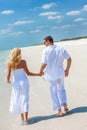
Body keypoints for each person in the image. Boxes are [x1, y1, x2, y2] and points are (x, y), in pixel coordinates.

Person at [7, 48, 41, 125]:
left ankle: (22, 118)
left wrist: (8, 80)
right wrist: (38, 74)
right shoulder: (23, 62)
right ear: (19, 54)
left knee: (18, 99)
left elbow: (9, 74)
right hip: (24, 82)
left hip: (15, 83)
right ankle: (26, 119)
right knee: (24, 99)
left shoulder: (10, 63)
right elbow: (28, 73)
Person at [40, 36, 72, 117]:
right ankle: (65, 106)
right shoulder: (61, 48)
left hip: (51, 74)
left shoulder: (45, 51)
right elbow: (69, 59)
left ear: (48, 41)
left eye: (44, 42)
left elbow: (44, 63)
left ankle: (59, 111)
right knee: (62, 89)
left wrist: (40, 70)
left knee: (53, 92)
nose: (44, 44)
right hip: (60, 72)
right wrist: (67, 69)